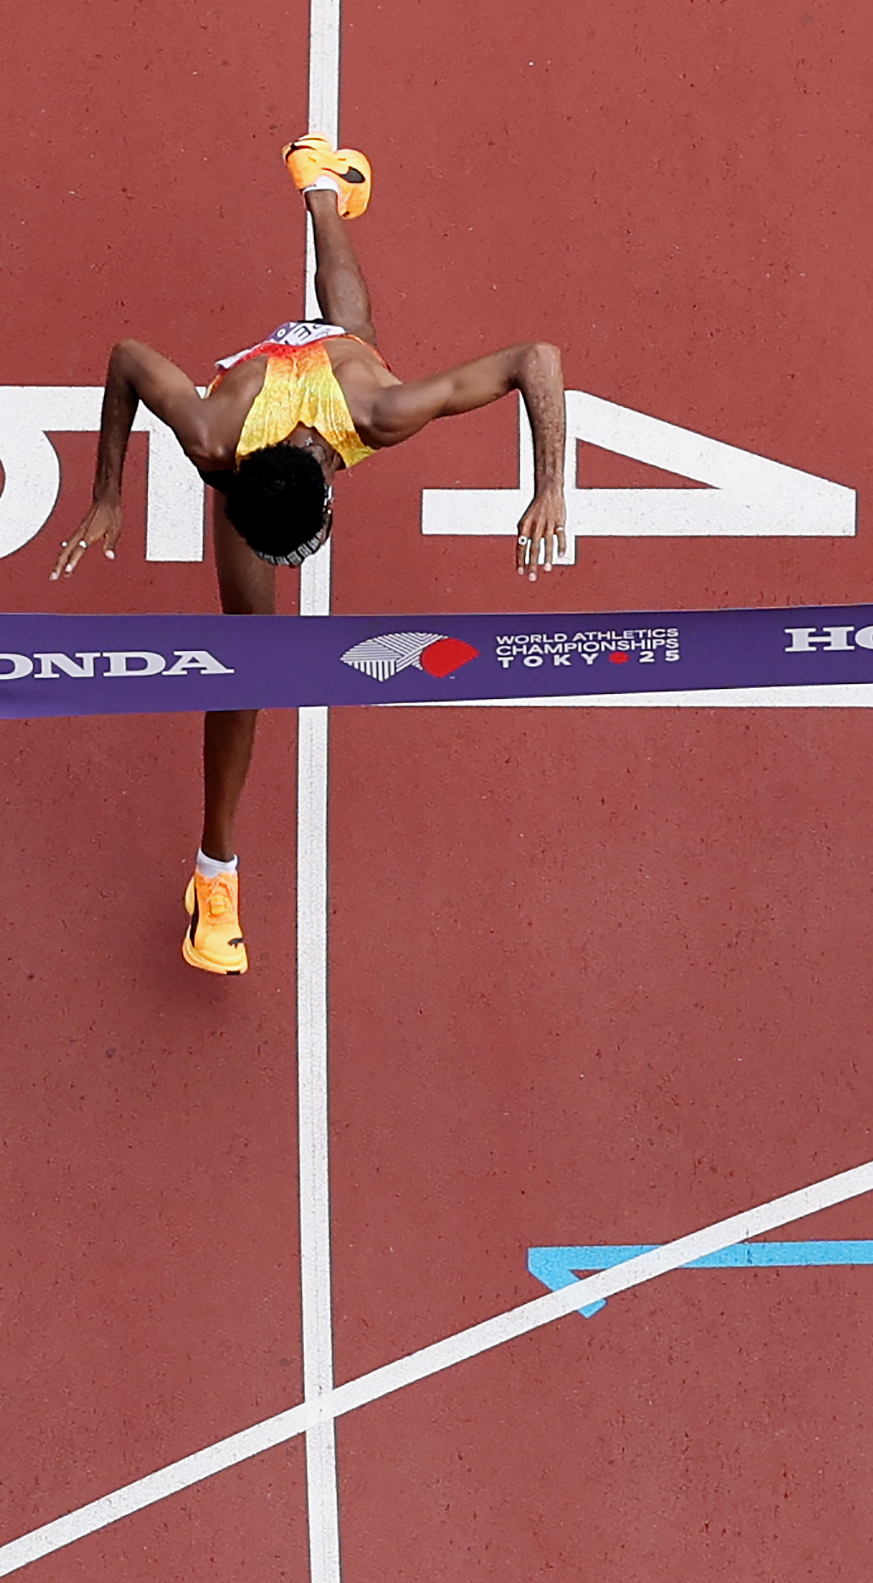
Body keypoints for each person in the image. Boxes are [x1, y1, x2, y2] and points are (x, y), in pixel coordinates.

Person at [49, 139, 570, 974]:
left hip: (329, 376)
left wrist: (550, 486)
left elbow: (535, 361)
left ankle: (321, 187)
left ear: (331, 481)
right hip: (256, 391)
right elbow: (125, 360)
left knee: (356, 334)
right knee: (247, 663)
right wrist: (107, 491)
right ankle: (214, 880)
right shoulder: (214, 443)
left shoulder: (378, 412)